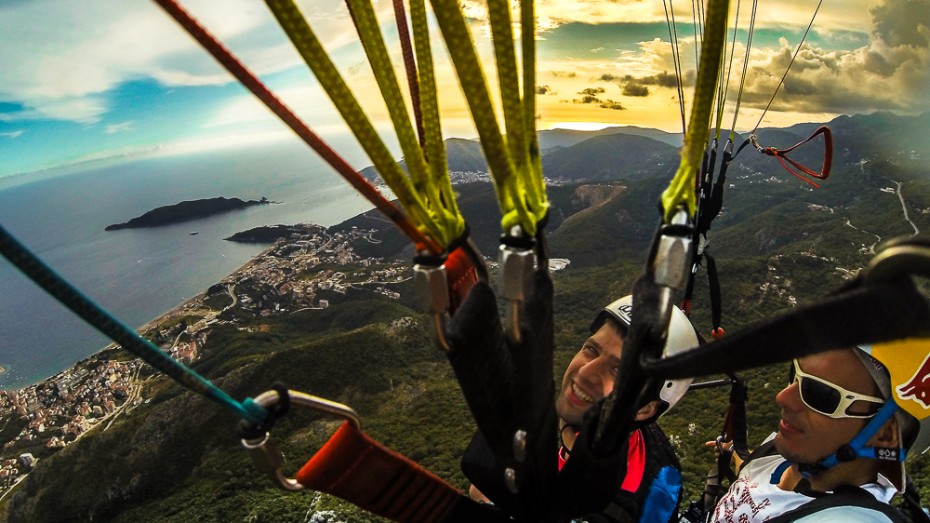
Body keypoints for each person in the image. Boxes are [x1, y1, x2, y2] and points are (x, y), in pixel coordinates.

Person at [469, 295, 700, 523]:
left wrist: (488, 502)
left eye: (619, 371)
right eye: (592, 349)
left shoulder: (591, 509)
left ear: (644, 410)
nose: (585, 372)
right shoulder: (650, 451)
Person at [710, 344, 929, 523]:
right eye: (795, 374)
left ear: (884, 434)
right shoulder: (781, 453)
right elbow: (754, 478)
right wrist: (733, 455)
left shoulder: (849, 518)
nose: (783, 398)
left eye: (819, 393)